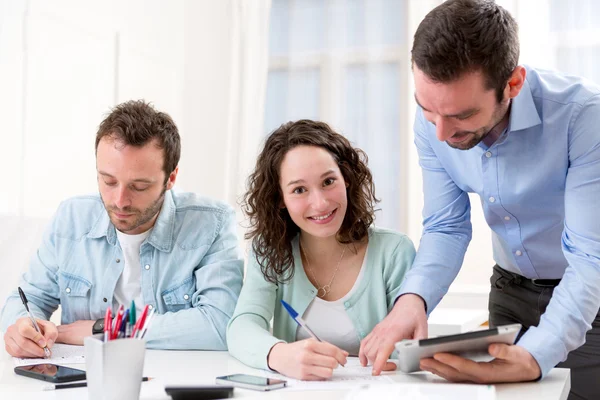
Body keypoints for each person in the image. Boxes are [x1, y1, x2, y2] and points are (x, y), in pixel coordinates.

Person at [358, 1, 600, 398]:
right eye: (428, 110)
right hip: (510, 290)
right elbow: (446, 226)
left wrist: (537, 355)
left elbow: (591, 256)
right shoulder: (437, 118)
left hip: (590, 296)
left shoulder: (584, 117)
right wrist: (412, 300)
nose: (440, 133)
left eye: (461, 115)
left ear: (513, 84)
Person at [1, 100, 244, 357]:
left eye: (138, 186)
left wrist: (107, 329)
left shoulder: (212, 224)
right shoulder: (71, 218)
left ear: (170, 178)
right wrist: (23, 328)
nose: (119, 201)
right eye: (108, 181)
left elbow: (220, 324)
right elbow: (27, 299)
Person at [227, 119, 415, 380]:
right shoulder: (270, 251)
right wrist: (279, 355)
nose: (320, 203)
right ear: (280, 198)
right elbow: (242, 325)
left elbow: (410, 344)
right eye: (299, 189)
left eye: (328, 182)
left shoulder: (394, 252)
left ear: (346, 178)